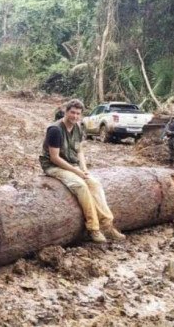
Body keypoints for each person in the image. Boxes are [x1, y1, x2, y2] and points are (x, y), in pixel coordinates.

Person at [39, 99, 126, 243]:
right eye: (72, 112)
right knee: (81, 186)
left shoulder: (78, 128)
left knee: (95, 184)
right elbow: (54, 158)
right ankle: (94, 228)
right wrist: (76, 172)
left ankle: (107, 225)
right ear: (66, 112)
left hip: (72, 164)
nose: (75, 116)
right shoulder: (55, 130)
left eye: (78, 114)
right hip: (54, 166)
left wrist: (84, 169)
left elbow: (79, 151)